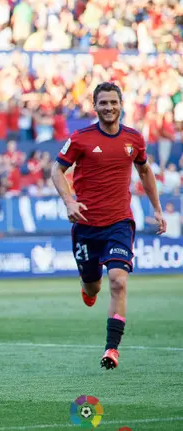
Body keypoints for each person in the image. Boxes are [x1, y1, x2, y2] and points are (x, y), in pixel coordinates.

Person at [51, 82, 166, 370]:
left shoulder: (134, 139)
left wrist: (157, 209)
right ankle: (87, 287)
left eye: (113, 102)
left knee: (118, 280)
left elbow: (144, 170)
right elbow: (57, 169)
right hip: (86, 226)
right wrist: (69, 202)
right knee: (93, 287)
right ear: (95, 106)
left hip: (119, 223)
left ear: (121, 104)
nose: (109, 107)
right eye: (103, 103)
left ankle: (111, 349)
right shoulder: (80, 138)